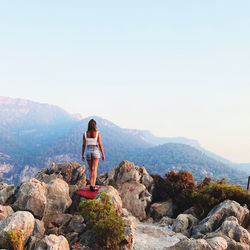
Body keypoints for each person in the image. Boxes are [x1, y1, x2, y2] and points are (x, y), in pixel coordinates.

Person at [82, 119, 105, 191]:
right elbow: (100, 144)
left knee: (90, 170)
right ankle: (93, 186)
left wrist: (82, 154)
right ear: (95, 125)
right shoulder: (97, 133)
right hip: (96, 151)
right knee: (94, 169)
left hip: (88, 151)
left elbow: (84, 145)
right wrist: (103, 154)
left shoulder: (85, 134)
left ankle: (90, 185)